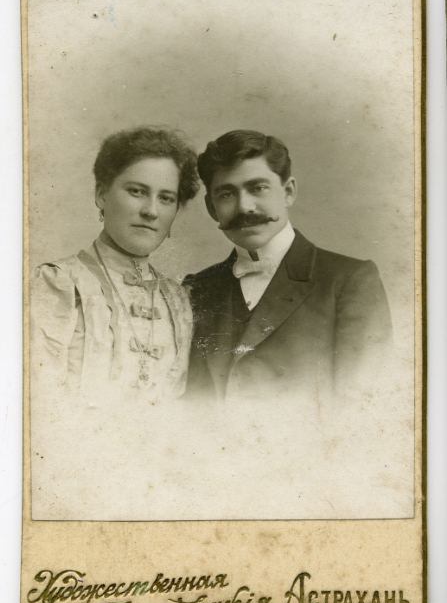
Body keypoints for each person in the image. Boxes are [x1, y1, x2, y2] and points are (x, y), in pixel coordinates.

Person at [184, 129, 392, 404]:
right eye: (226, 194)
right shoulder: (198, 289)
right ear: (212, 208)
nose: (245, 207)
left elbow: (365, 405)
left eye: (258, 188)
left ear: (288, 192)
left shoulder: (349, 281)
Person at [32, 126, 199, 405]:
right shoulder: (59, 284)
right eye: (137, 191)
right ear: (101, 195)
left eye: (166, 198)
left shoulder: (178, 301)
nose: (151, 211)